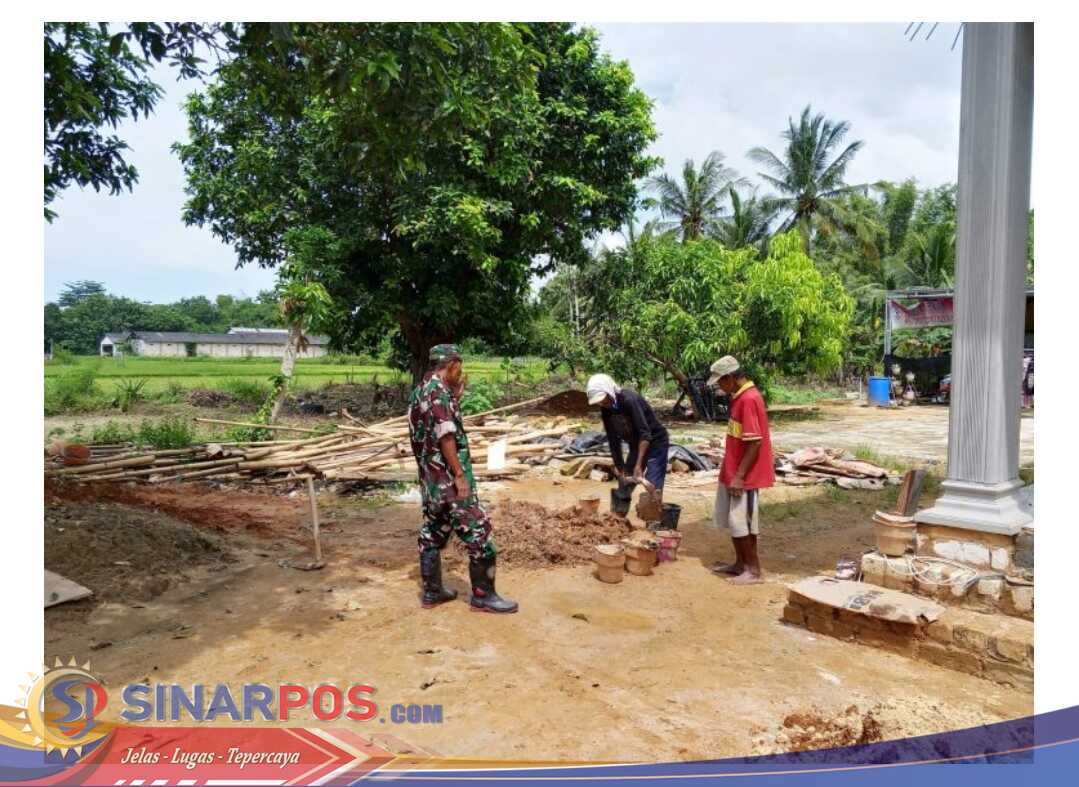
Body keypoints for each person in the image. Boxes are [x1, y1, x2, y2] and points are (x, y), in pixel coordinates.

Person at [408, 344, 518, 613]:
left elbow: (430, 429)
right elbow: (445, 436)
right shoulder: (438, 393)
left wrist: (455, 397)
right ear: (452, 365)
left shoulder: (421, 390)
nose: (461, 372)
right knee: (480, 532)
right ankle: (483, 596)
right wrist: (459, 475)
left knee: (433, 531)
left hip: (431, 482)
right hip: (449, 480)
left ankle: (432, 592)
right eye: (460, 367)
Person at [708, 356, 774, 585]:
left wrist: (739, 476)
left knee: (742, 522)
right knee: (735, 521)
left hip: (745, 475)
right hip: (733, 470)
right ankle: (740, 563)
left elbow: (754, 442)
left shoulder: (749, 399)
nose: (719, 386)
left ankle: (753, 570)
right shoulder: (739, 397)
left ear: (730, 378)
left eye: (720, 381)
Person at [586, 374, 670, 503]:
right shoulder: (606, 409)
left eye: (603, 399)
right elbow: (613, 439)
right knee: (624, 484)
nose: (602, 404)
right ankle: (617, 514)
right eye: (599, 402)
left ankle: (654, 513)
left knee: (653, 483)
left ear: (609, 391)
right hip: (636, 444)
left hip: (656, 441)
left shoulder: (629, 400)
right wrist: (620, 468)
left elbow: (645, 434)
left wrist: (638, 466)